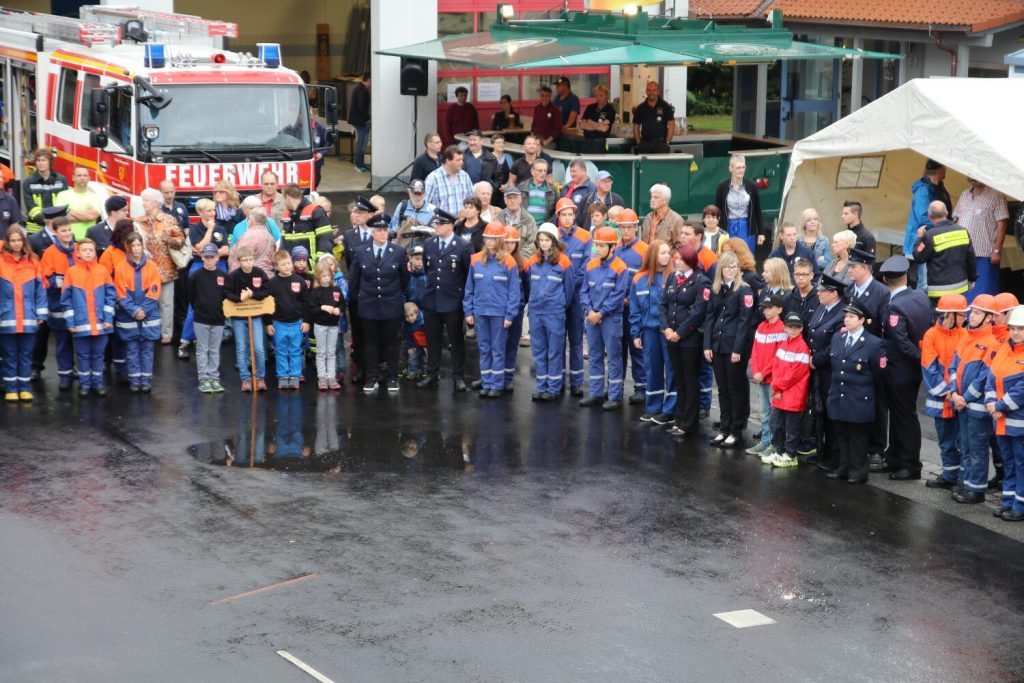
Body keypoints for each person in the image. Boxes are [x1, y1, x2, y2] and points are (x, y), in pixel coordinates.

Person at [877, 255, 932, 480]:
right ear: (905, 277)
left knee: (904, 417)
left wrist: (919, 357)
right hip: (912, 370)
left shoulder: (894, 307)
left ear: (884, 280)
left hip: (899, 369)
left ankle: (910, 464)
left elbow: (901, 343)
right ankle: (895, 457)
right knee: (902, 415)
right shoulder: (920, 296)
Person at [825, 301, 886, 484]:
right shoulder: (838, 338)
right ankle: (843, 467)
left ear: (862, 320)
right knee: (841, 435)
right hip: (839, 395)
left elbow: (879, 375)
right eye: (846, 316)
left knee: (858, 437)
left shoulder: (874, 343)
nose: (847, 320)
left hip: (859, 398)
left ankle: (858, 471)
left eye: (851, 317)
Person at [348, 214, 409, 395]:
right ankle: (372, 376)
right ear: (372, 232)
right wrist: (359, 300)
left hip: (391, 304)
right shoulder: (361, 252)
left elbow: (404, 278)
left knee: (392, 343)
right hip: (369, 304)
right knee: (371, 343)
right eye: (379, 230)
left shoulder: (398, 251)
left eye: (385, 230)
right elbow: (354, 280)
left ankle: (391, 376)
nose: (383, 233)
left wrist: (398, 296)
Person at [941, 295, 994, 500]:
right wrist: (954, 393)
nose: (972, 316)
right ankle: (969, 483)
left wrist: (963, 397)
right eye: (973, 312)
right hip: (962, 403)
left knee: (978, 448)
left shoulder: (990, 343)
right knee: (967, 446)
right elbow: (953, 366)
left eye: (978, 313)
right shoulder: (967, 337)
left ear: (989, 318)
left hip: (975, 407)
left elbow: (984, 378)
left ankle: (976, 490)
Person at [656, 244, 712, 438]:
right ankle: (679, 418)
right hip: (672, 337)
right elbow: (663, 304)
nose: (676, 261)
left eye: (680, 258)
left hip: (689, 339)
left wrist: (679, 332)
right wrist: (667, 328)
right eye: (675, 258)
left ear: (690, 260)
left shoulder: (701, 281)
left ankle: (689, 423)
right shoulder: (672, 278)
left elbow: (698, 312)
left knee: (690, 380)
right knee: (679, 379)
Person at [704, 251, 756, 447]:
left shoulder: (744, 290)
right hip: (718, 344)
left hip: (734, 346)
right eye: (728, 267)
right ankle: (724, 428)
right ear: (721, 269)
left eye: (735, 267)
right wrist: (707, 345)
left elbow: (745, 322)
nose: (731, 270)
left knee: (735, 389)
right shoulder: (717, 289)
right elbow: (710, 317)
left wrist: (738, 349)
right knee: (723, 389)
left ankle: (736, 429)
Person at [417, 208, 473, 392]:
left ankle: (458, 376)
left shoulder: (463, 246)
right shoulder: (430, 244)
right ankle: (432, 374)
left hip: (453, 301)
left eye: (439, 224)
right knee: (433, 340)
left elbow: (467, 275)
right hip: (432, 299)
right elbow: (428, 269)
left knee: (456, 341)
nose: (436, 227)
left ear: (449, 226)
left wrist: (464, 300)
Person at [463, 222, 519, 398]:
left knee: (498, 349)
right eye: (487, 238)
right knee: (484, 348)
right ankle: (486, 383)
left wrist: (510, 315)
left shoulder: (509, 262)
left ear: (500, 240)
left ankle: (496, 384)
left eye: (493, 238)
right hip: (481, 312)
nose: (489, 241)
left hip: (499, 314)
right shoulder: (476, 260)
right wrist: (468, 311)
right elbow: (469, 288)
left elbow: (514, 292)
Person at [577, 226, 629, 409]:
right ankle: (596, 394)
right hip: (592, 318)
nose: (597, 249)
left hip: (610, 319)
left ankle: (614, 396)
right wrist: (590, 311)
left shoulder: (620, 268)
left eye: (601, 246)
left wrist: (600, 313)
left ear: (612, 247)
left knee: (614, 356)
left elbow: (618, 295)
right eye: (596, 245)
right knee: (595, 356)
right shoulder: (590, 265)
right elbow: (583, 291)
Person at [524, 222, 575, 400]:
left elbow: (569, 290)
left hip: (554, 313)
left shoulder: (564, 262)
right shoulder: (533, 261)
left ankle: (553, 388)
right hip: (536, 312)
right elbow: (529, 285)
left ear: (553, 241)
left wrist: (559, 305)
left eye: (547, 239)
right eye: (541, 240)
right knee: (539, 350)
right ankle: (541, 387)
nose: (544, 243)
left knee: (554, 351)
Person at [984, 305, 1024, 522]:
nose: (1016, 333)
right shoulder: (1005, 350)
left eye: (1021, 329)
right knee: (1009, 462)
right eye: (1013, 328)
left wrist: (997, 406)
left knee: (1021, 464)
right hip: (1002, 421)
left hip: (1017, 421)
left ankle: (1020, 505)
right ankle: (1008, 501)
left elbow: (1021, 391)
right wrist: (991, 402)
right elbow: (992, 377)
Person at [61, 238, 115, 397]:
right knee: (83, 356)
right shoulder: (71, 272)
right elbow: (66, 300)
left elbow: (110, 297)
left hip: (101, 325)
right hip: (80, 325)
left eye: (91, 250)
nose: (88, 253)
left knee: (99, 355)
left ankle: (97, 384)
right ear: (78, 252)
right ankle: (84, 385)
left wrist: (108, 319)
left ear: (95, 252)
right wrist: (70, 322)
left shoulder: (102, 271)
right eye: (84, 250)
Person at [806, 273, 847, 472]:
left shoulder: (842, 314)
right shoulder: (822, 308)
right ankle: (822, 450)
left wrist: (816, 360)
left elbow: (835, 346)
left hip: (830, 370)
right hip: (816, 370)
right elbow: (811, 334)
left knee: (832, 414)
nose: (818, 293)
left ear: (834, 293)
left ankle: (834, 455)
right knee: (819, 411)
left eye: (822, 291)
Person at [0, 226, 46, 402]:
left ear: (24, 241)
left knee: (26, 353)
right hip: (6, 316)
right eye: (13, 240)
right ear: (7, 242)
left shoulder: (33, 262)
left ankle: (24, 388)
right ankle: (11, 389)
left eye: (19, 240)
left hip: (28, 316)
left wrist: (41, 313)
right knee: (9, 354)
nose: (16, 243)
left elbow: (41, 289)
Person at [135, 187, 185, 344]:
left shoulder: (168, 220)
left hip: (165, 269)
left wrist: (169, 239)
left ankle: (166, 334)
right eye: (143, 200)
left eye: (146, 200)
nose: (143, 203)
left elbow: (180, 241)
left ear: (156, 203)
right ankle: (149, 331)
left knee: (166, 304)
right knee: (146, 302)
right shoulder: (138, 221)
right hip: (144, 269)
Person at [112, 232, 161, 393]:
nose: (136, 249)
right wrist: (134, 310)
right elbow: (120, 293)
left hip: (148, 315)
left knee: (147, 350)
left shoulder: (152, 266)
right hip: (129, 316)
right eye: (133, 246)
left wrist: (143, 310)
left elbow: (154, 291)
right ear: (128, 247)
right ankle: (134, 380)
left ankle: (146, 380)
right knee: (131, 350)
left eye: (139, 245)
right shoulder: (120, 268)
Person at [631, 240, 672, 423]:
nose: (666, 256)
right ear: (653, 255)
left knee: (671, 369)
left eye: (668, 252)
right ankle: (653, 407)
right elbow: (635, 309)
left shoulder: (673, 277)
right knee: (652, 368)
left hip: (668, 332)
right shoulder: (639, 279)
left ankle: (671, 409)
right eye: (662, 252)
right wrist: (636, 333)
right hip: (649, 331)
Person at [36, 214, 78, 388]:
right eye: (63, 231)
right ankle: (65, 376)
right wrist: (70, 281)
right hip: (59, 304)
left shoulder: (78, 248)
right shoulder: (50, 253)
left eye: (69, 230)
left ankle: (77, 372)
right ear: (56, 233)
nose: (68, 233)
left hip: (79, 303)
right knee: (63, 342)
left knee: (80, 343)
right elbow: (47, 280)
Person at [555, 197, 592, 396]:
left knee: (576, 339)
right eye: (564, 214)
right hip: (558, 296)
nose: (568, 218)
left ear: (575, 215)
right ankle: (558, 380)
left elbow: (586, 267)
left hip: (576, 296)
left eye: (570, 214)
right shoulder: (553, 236)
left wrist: (570, 283)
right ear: (558, 216)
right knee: (558, 339)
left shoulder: (586, 237)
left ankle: (577, 382)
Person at [767, 312, 812, 469]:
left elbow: (795, 374)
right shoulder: (784, 344)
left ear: (801, 329)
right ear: (785, 327)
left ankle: (790, 454)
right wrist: (777, 386)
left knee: (791, 427)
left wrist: (777, 386)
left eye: (797, 327)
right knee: (775, 423)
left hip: (793, 393)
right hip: (782, 391)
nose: (793, 330)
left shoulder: (802, 347)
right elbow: (776, 367)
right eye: (790, 327)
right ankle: (780, 451)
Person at [951, 178, 1008, 300]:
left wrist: (997, 250)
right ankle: (965, 318)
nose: (972, 178)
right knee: (963, 291)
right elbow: (956, 220)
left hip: (985, 254)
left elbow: (1002, 224)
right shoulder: (964, 194)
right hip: (963, 252)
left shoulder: (996, 195)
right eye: (970, 174)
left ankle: (985, 318)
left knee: (984, 293)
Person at [225, 244, 271, 392]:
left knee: (259, 348)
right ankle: (245, 379)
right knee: (241, 347)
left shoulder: (259, 273)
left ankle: (260, 378)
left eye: (250, 259)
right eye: (245, 260)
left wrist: (253, 295)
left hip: (256, 315)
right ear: (239, 262)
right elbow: (226, 294)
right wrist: (240, 298)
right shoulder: (233, 276)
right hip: (239, 316)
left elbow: (267, 290)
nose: (248, 263)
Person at [747, 294, 786, 459]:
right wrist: (756, 371)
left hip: (772, 379)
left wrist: (763, 373)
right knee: (763, 412)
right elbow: (754, 351)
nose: (766, 311)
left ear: (779, 309)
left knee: (774, 414)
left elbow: (778, 356)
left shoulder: (781, 329)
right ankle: (765, 441)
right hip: (760, 377)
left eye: (769, 308)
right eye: (765, 308)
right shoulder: (761, 327)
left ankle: (774, 444)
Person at [615, 210, 648, 405]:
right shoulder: (614, 248)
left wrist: (631, 300)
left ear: (636, 227)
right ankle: (615, 387)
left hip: (635, 309)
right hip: (615, 309)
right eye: (623, 227)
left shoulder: (644, 250)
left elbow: (646, 281)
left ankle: (641, 388)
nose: (626, 230)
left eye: (629, 226)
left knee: (637, 348)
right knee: (617, 350)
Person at [915, 200, 977, 303]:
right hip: (960, 288)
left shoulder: (930, 235)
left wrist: (919, 238)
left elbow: (918, 257)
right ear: (947, 213)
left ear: (929, 216)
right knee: (956, 316)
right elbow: (971, 258)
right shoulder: (963, 231)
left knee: (940, 318)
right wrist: (972, 278)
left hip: (938, 292)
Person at [265, 250, 310, 390]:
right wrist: (268, 323)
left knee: (296, 350)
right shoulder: (272, 283)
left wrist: (306, 321)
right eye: (283, 264)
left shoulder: (299, 281)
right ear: (276, 266)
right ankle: (283, 376)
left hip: (297, 322)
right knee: (281, 351)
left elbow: (306, 302)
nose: (287, 267)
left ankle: (295, 375)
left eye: (289, 263)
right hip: (279, 323)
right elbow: (267, 304)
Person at [905, 159, 952, 289]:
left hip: (937, 238)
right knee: (924, 283)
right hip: (923, 240)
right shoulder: (923, 191)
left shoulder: (940, 187)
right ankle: (923, 307)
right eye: (944, 167)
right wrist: (944, 227)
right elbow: (923, 217)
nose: (946, 169)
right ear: (938, 170)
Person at [188, 243, 227, 393]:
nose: (209, 260)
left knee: (215, 349)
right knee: (202, 349)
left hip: (218, 318)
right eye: (207, 257)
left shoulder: (223, 276)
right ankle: (203, 378)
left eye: (212, 257)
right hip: (201, 318)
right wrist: (199, 309)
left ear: (218, 257)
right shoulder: (195, 276)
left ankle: (214, 377)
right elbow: (191, 296)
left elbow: (226, 296)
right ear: (202, 257)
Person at [498, 228, 529, 391]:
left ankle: (508, 378)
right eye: (507, 242)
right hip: (498, 309)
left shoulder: (522, 263)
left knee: (511, 345)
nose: (509, 245)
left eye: (512, 242)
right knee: (495, 345)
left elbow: (527, 287)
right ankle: (493, 377)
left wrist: (521, 304)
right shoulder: (496, 260)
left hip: (515, 310)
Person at [715, 155, 765, 253]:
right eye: (738, 167)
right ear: (731, 168)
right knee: (729, 254)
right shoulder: (722, 186)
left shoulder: (751, 186)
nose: (741, 170)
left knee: (746, 255)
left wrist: (761, 233)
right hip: (728, 226)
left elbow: (757, 210)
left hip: (746, 227)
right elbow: (718, 210)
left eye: (743, 167)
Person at [307, 260, 344, 391]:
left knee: (331, 352)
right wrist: (322, 307)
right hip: (320, 326)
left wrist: (339, 309)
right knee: (321, 352)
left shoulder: (336, 289)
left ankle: (331, 377)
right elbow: (311, 309)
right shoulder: (315, 292)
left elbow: (342, 303)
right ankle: (322, 377)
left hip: (333, 325)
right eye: (323, 276)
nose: (326, 278)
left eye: (328, 275)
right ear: (317, 276)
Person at [280, 183, 333, 263]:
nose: (283, 202)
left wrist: (320, 263)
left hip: (312, 270)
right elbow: (283, 244)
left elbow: (325, 240)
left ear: (287, 197)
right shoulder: (287, 215)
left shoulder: (316, 212)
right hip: (292, 269)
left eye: (283, 199)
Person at [22, 148, 68, 232]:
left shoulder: (61, 180)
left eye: (44, 160)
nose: (41, 163)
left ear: (49, 162)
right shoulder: (28, 182)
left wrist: (55, 222)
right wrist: (45, 221)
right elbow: (31, 207)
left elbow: (64, 204)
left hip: (57, 228)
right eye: (38, 160)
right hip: (35, 229)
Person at [424, 145, 475, 218]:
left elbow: (471, 200)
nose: (462, 162)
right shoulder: (433, 178)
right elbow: (425, 204)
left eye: (462, 159)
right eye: (458, 160)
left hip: (462, 223)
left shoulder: (464, 176)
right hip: (442, 224)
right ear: (447, 160)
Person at [55, 166, 103, 241]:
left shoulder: (94, 197)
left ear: (89, 178)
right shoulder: (62, 195)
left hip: (88, 241)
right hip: (68, 240)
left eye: (85, 175)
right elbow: (60, 218)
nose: (82, 178)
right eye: (79, 175)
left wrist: (69, 210)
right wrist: (86, 216)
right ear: (73, 177)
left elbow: (92, 216)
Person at [631, 81, 675, 154]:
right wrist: (639, 143)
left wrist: (667, 142)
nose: (651, 92)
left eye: (654, 90)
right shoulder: (640, 108)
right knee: (644, 165)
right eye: (649, 90)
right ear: (646, 91)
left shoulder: (666, 106)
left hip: (661, 144)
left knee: (660, 165)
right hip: (645, 143)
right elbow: (635, 127)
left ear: (658, 91)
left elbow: (672, 124)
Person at [498, 187, 537, 261]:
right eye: (509, 198)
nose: (512, 201)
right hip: (501, 261)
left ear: (520, 200)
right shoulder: (498, 219)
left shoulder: (529, 220)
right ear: (505, 201)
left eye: (515, 198)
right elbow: (495, 242)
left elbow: (532, 244)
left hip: (521, 262)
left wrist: (517, 259)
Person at [579, 84, 615, 155]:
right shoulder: (590, 107)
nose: (598, 98)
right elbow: (582, 124)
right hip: (586, 141)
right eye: (597, 95)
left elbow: (604, 129)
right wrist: (599, 126)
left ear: (606, 96)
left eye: (601, 95)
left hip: (599, 143)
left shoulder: (610, 110)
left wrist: (590, 121)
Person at [519, 159, 557, 225]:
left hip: (544, 227)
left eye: (545, 171)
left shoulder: (552, 190)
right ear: (532, 171)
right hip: (525, 225)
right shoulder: (522, 187)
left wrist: (549, 223)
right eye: (540, 170)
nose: (543, 173)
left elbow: (557, 211)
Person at [783, 259, 818, 329]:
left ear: (812, 275)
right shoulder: (788, 297)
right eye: (797, 274)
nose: (800, 278)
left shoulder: (820, 297)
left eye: (804, 274)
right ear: (793, 275)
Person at [349, 73, 371, 173]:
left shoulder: (357, 88)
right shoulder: (363, 90)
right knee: (362, 144)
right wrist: (369, 118)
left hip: (356, 120)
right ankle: (359, 165)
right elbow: (361, 106)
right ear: (369, 80)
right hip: (361, 121)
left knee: (360, 143)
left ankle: (359, 164)